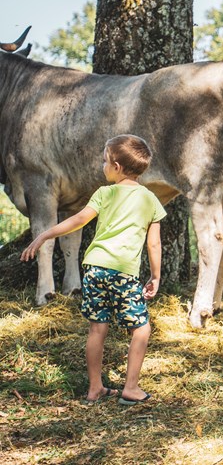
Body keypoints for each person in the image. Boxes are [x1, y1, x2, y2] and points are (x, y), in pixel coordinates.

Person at [20, 134, 165, 405]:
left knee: (98, 328)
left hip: (95, 270)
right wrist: (155, 276)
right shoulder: (150, 200)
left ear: (117, 167)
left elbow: (76, 221)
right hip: (123, 273)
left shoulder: (104, 193)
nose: (102, 166)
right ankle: (130, 388)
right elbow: (154, 244)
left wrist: (43, 235)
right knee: (141, 329)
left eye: (105, 161)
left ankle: (95, 388)